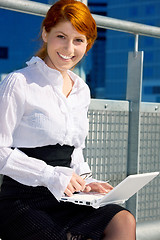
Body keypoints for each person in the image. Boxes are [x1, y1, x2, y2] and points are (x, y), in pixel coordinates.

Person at [0, 0, 136, 239]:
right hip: (24, 199)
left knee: (123, 219)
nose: (69, 48)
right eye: (61, 36)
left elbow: (75, 151)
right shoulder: (19, 82)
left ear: (88, 44)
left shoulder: (81, 89)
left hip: (68, 197)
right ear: (45, 33)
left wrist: (87, 183)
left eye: (78, 40)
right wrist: (50, 175)